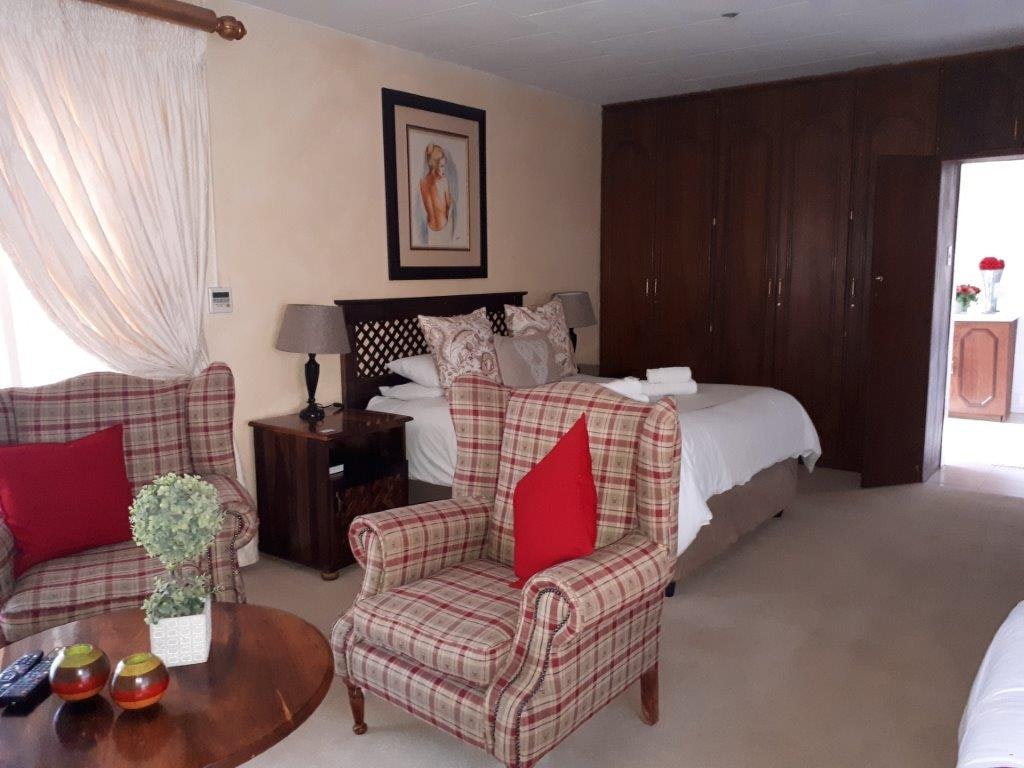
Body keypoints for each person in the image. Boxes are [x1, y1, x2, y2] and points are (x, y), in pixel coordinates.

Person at [419, 143, 454, 246]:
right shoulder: (443, 181)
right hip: (444, 229)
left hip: (431, 230)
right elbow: (449, 205)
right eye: (442, 166)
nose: (444, 169)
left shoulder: (422, 183)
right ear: (434, 167)